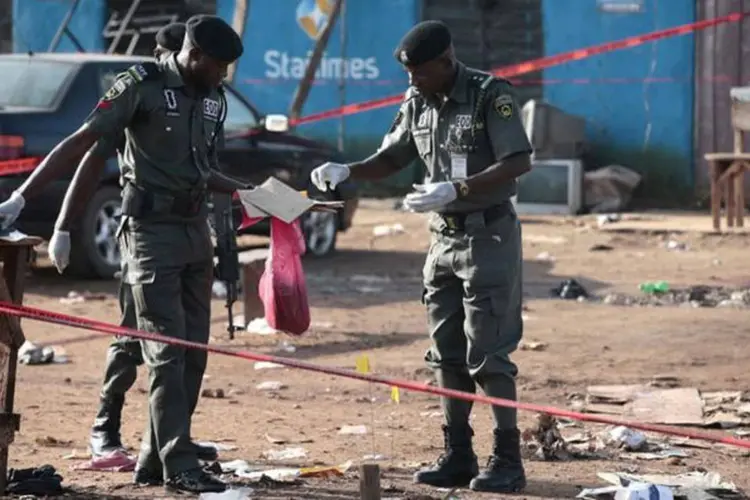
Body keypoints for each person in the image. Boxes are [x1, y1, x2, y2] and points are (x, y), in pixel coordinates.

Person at [19, 14, 247, 493]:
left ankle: (155, 457)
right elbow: (85, 145)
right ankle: (177, 463)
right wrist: (27, 200)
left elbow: (204, 170)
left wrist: (262, 194)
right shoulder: (139, 86)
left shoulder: (210, 100)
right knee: (164, 352)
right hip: (149, 234)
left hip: (193, 231)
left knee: (194, 354)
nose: (223, 76)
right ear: (196, 55)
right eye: (219, 66)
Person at [310, 20, 532, 494]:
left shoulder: (490, 95)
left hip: (488, 237)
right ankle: (458, 453)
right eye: (408, 73)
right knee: (446, 354)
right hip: (442, 240)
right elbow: (392, 157)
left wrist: (460, 187)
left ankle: (507, 459)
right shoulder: (418, 101)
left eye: (421, 72)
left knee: (489, 353)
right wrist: (347, 169)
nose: (413, 81)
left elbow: (519, 160)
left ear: (446, 62)